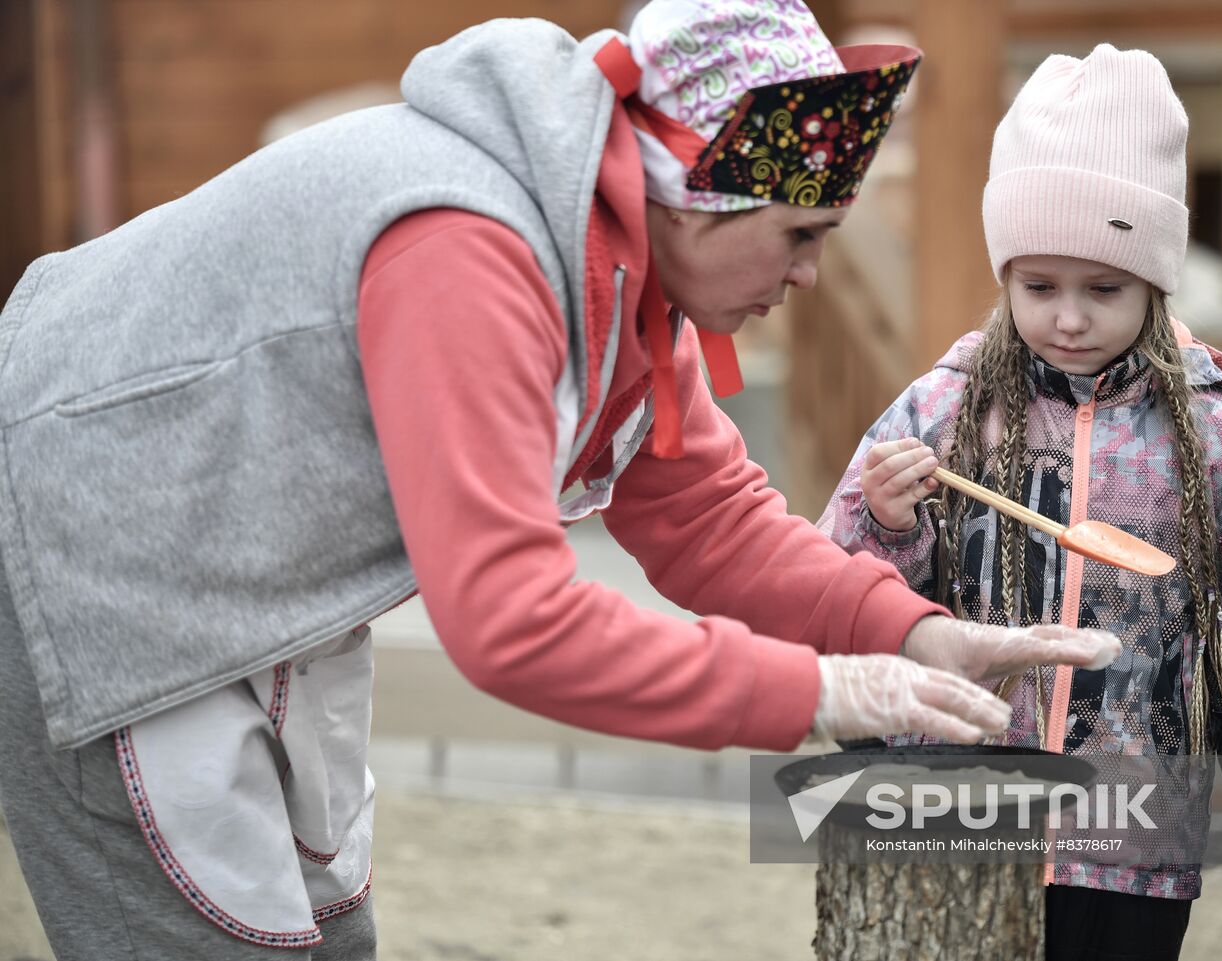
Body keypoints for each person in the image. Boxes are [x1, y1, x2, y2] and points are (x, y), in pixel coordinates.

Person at [0, 2, 1121, 957]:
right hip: (99, 554)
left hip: (254, 570)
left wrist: (909, 633)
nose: (811, 274)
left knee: (326, 924)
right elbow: (509, 620)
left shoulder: (623, 271)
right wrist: (817, 691)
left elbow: (706, 521)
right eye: (797, 232)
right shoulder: (470, 248)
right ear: (693, 195)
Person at [818, 44, 1222, 961]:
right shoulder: (944, 413)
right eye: (1038, 286)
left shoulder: (1217, 442)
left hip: (1133, 848)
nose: (1068, 317)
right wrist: (887, 524)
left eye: (1105, 288)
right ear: (1004, 275)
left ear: (1155, 279)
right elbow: (839, 593)